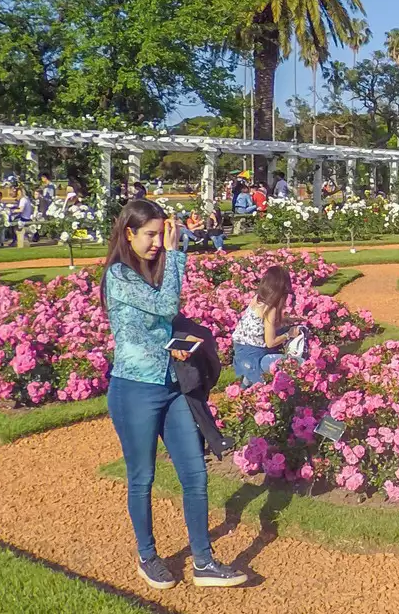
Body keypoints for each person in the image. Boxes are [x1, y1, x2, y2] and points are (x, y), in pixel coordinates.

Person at [100, 198, 247, 590]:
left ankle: (203, 560)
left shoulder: (150, 272)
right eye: (149, 235)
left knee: (195, 474)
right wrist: (177, 252)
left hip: (172, 386)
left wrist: (180, 340)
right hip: (135, 390)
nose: (155, 242)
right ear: (128, 233)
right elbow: (166, 305)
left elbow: (165, 321)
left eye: (160, 234)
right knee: (142, 477)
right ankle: (148, 556)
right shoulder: (118, 274)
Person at [230, 264, 296, 385]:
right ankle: (252, 375)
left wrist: (286, 320)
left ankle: (247, 379)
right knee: (295, 362)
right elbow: (270, 342)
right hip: (254, 355)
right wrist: (289, 334)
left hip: (240, 348)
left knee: (251, 378)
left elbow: (262, 325)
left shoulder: (257, 299)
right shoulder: (270, 310)